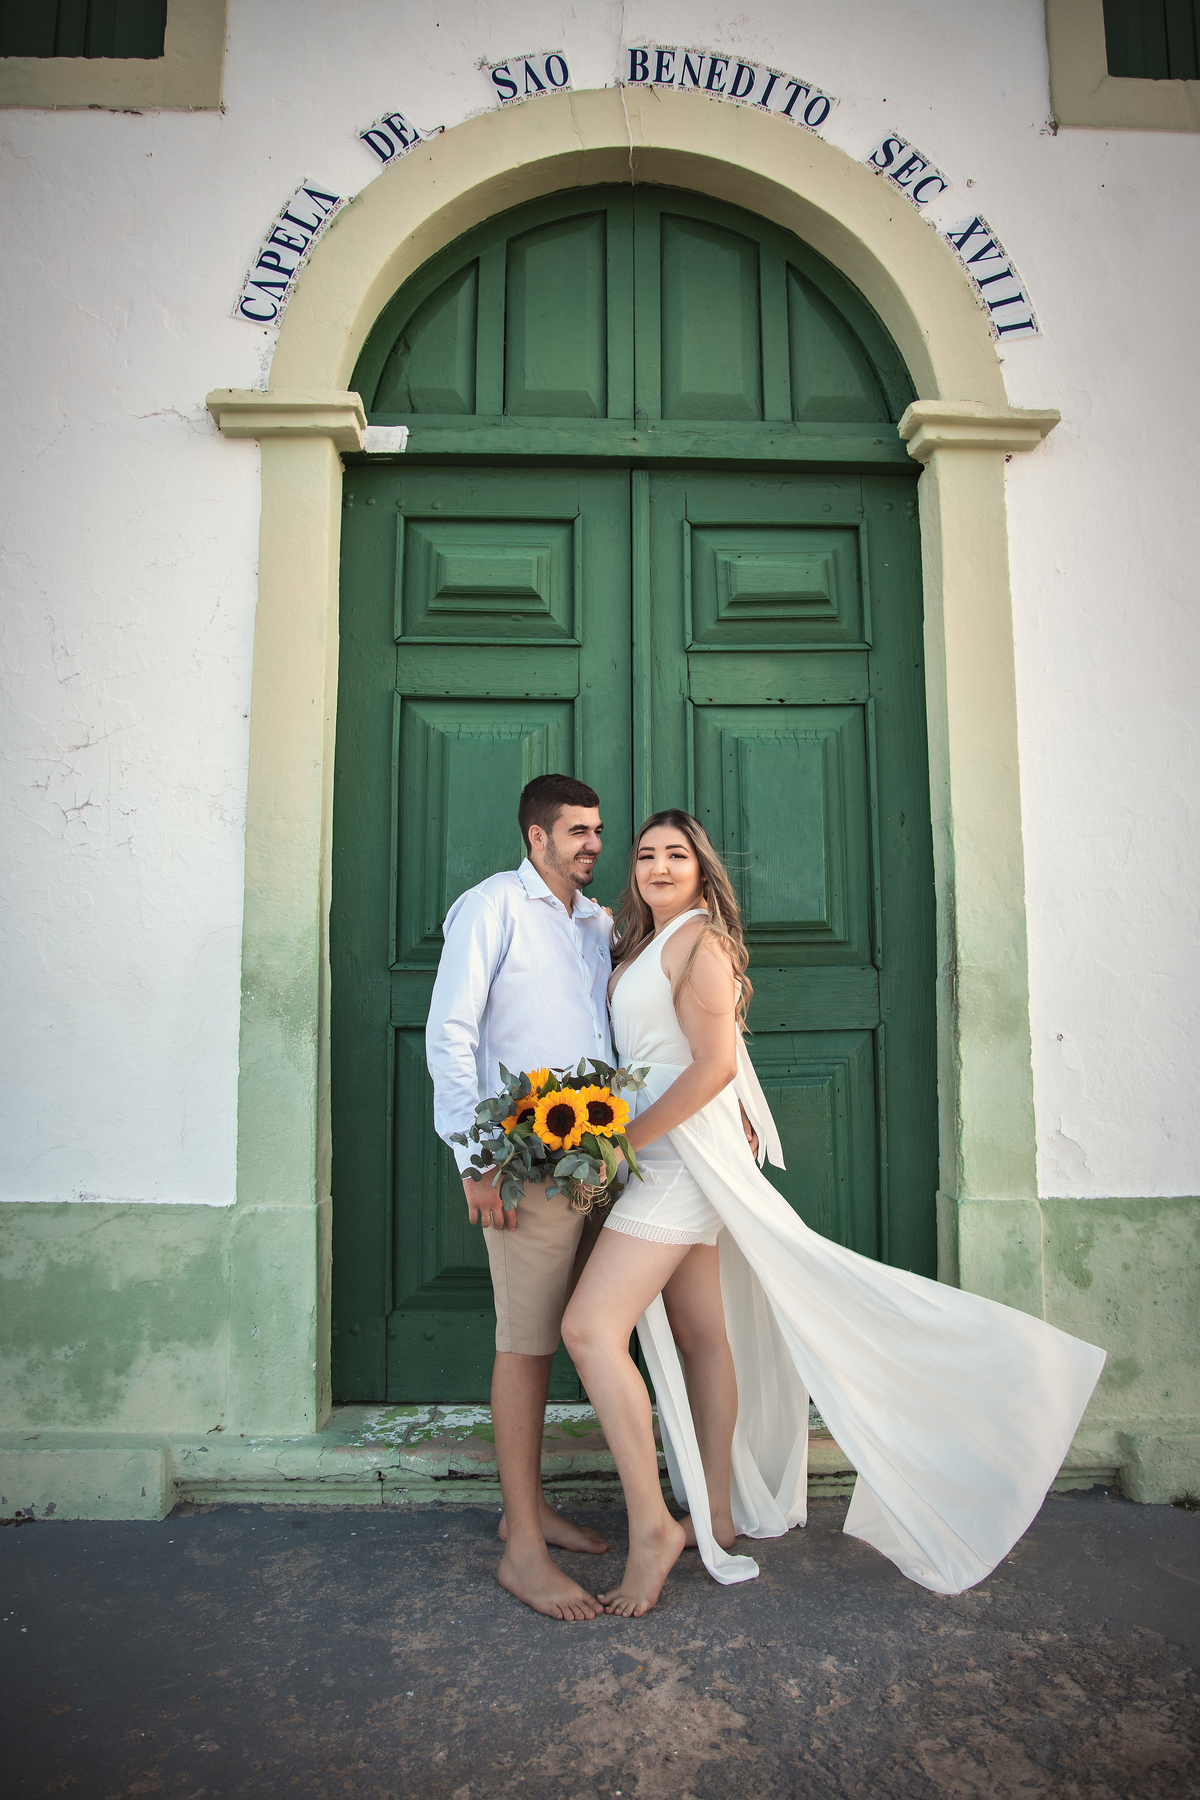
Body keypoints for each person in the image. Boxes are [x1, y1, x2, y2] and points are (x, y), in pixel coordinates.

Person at [562, 810, 1106, 1617]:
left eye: (677, 854)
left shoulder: (699, 944)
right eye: (645, 855)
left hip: (678, 1164)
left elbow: (712, 1066)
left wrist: (618, 1145)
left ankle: (655, 1529)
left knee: (587, 1330)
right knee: (702, 1335)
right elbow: (713, 1055)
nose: (658, 866)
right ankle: (713, 1507)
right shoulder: (643, 943)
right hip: (676, 1157)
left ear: (704, 870)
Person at [425, 773, 615, 1621]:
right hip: (524, 1161)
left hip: (601, 1159)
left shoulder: (596, 924)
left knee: (592, 1332)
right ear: (535, 836)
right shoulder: (491, 907)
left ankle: (525, 1508)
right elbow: (452, 1032)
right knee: (526, 1341)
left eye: (597, 831)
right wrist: (476, 1158)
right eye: (577, 831)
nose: (592, 845)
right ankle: (523, 1554)